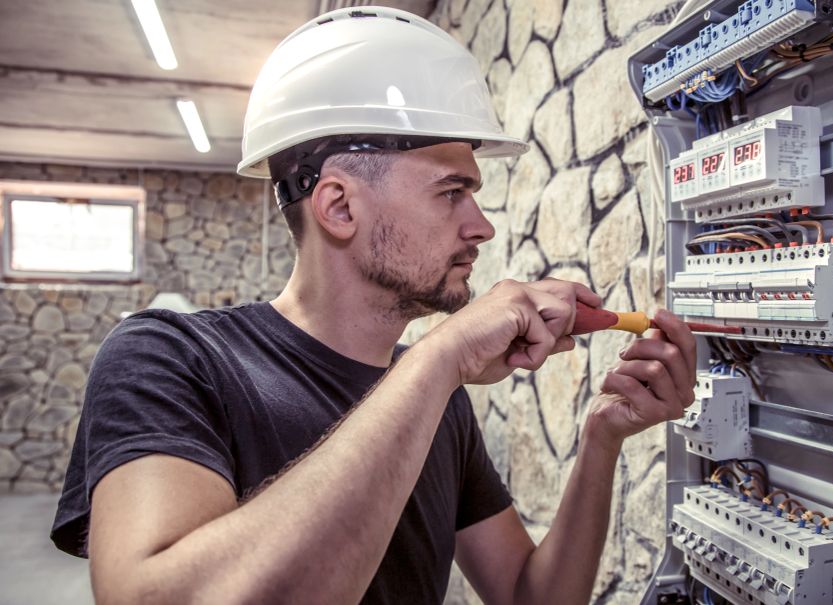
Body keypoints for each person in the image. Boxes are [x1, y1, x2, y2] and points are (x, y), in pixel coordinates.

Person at [52, 7, 696, 604]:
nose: (482, 227)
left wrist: (601, 438)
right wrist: (443, 356)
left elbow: (530, 597)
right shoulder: (169, 358)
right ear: (338, 207)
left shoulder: (436, 400)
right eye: (451, 192)